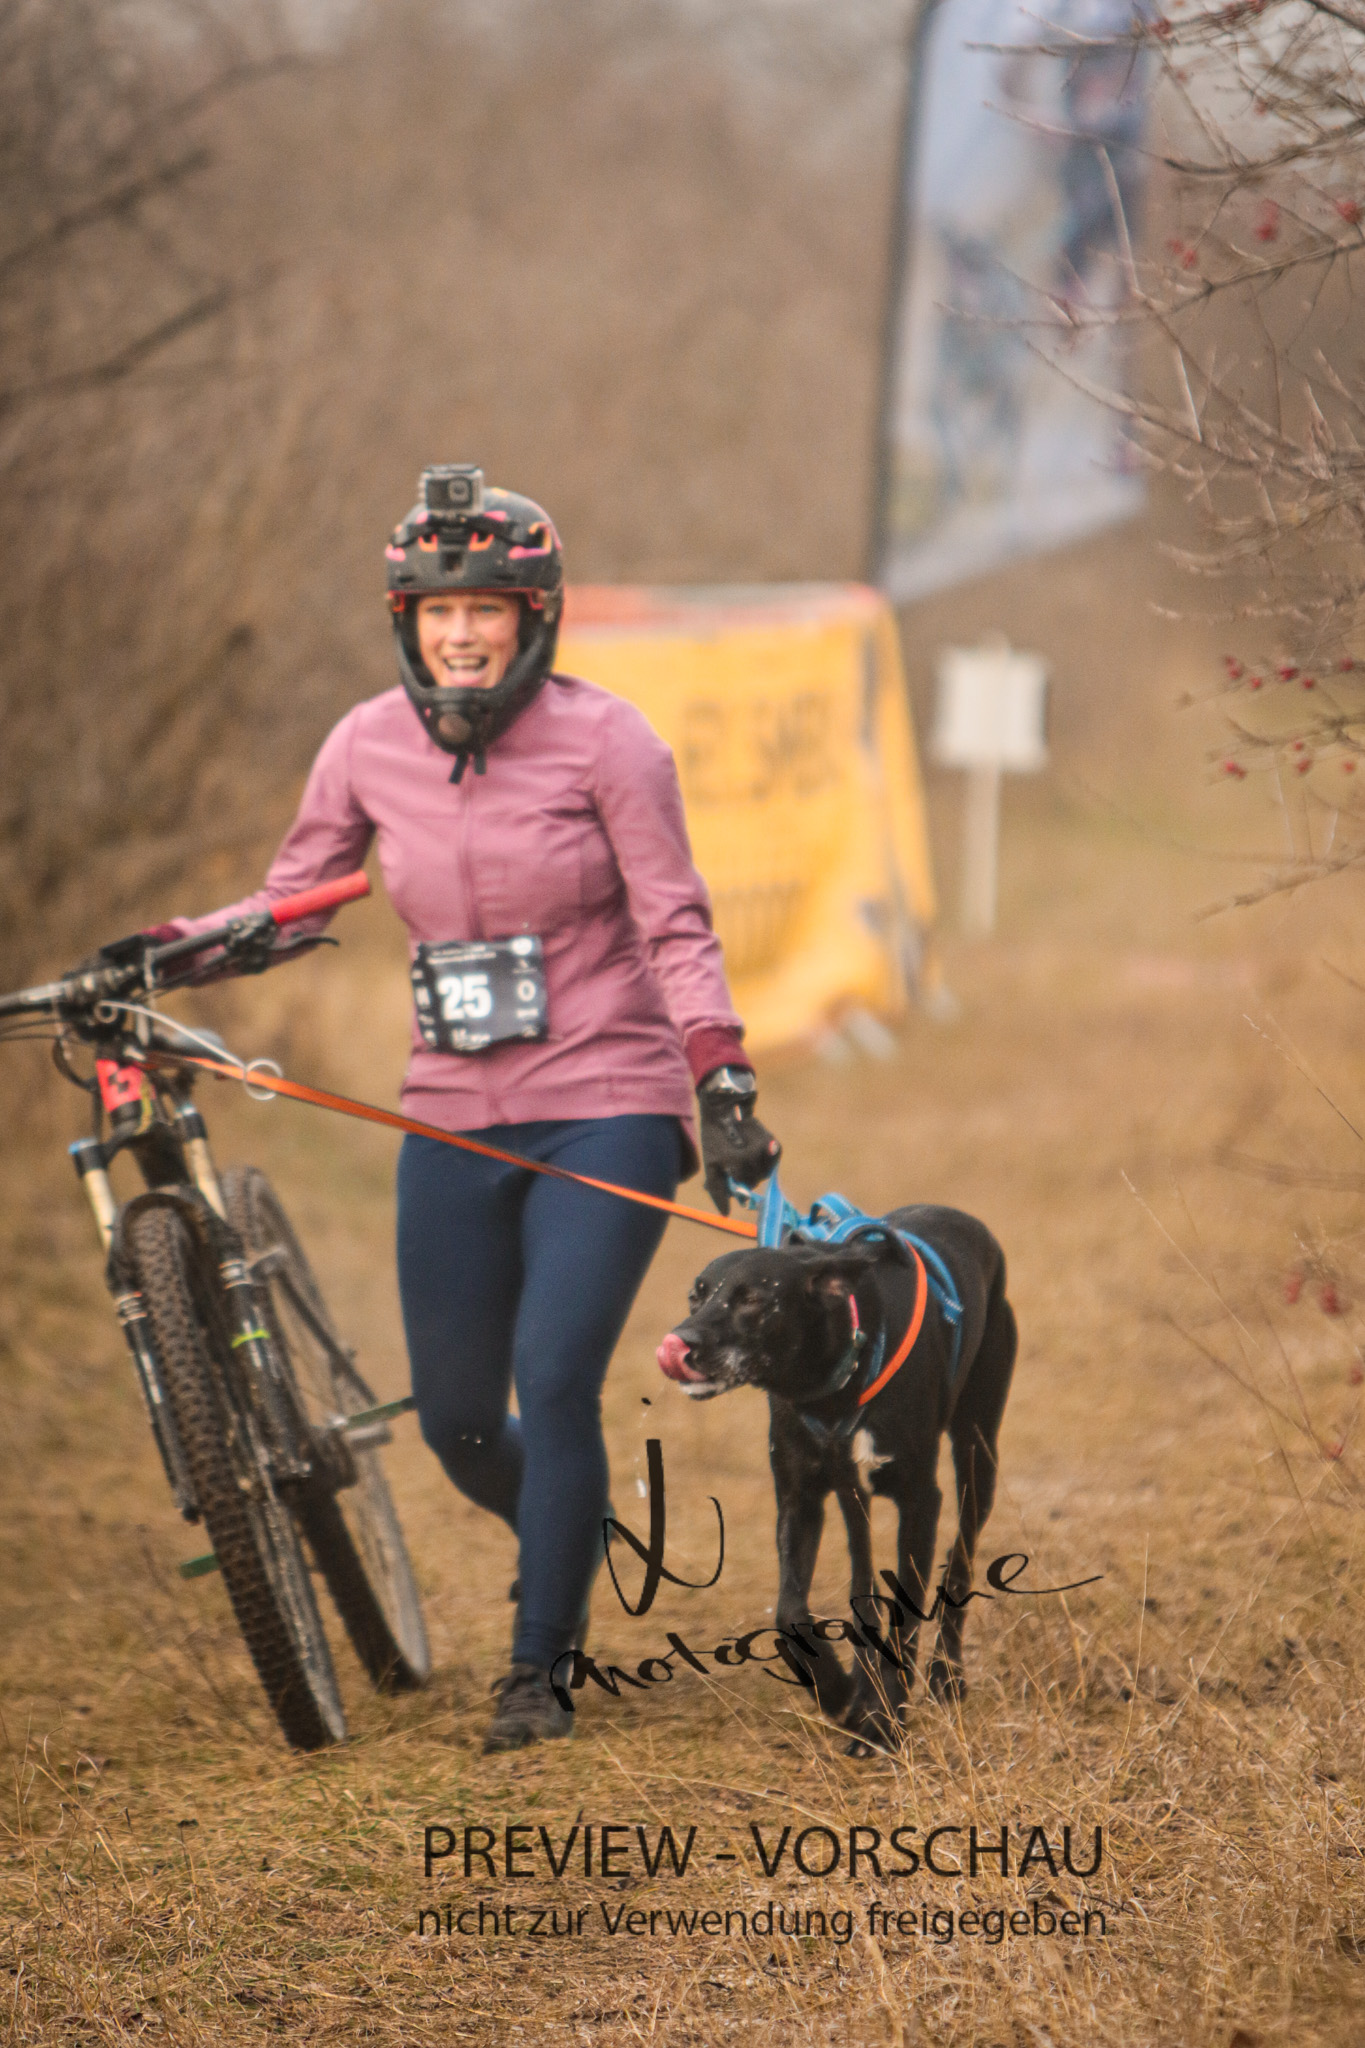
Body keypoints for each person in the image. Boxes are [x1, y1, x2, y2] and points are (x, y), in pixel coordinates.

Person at [162, 466, 779, 1751]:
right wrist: (160, 954)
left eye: (484, 609)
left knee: (554, 1378)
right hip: (448, 1114)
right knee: (452, 1419)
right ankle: (567, 1526)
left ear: (531, 617)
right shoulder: (364, 744)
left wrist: (718, 1074)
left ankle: (537, 1669)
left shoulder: (612, 742)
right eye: (436, 611)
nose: (459, 633)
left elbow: (676, 921)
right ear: (406, 620)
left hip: (607, 1099)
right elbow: (293, 903)